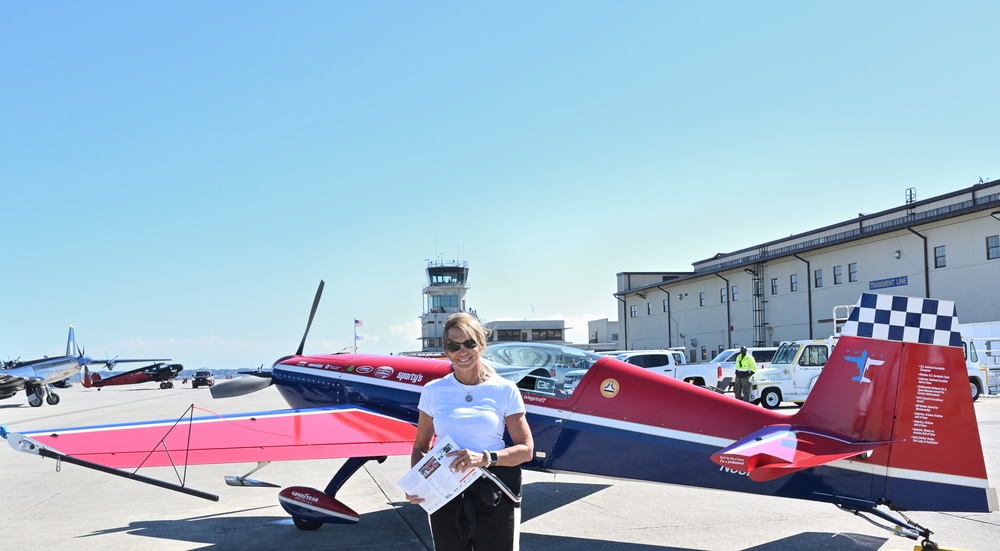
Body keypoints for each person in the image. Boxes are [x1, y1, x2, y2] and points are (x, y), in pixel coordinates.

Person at [406, 312, 534, 550]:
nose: (462, 351)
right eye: (453, 346)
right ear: (446, 349)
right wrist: (416, 483)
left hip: (494, 490)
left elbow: (526, 450)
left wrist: (485, 458)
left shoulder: (504, 389)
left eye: (469, 343)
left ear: (481, 344)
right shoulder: (433, 390)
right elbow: (420, 447)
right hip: (445, 493)